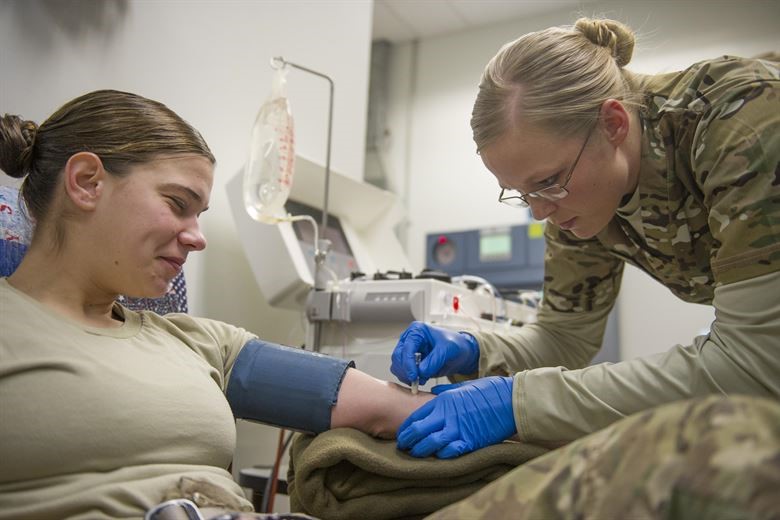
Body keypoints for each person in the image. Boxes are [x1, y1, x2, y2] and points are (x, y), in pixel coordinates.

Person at [0, 89, 433, 520]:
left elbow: (395, 412)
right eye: (177, 204)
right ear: (86, 182)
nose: (197, 237)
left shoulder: (201, 342)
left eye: (200, 215)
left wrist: (496, 402)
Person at [390, 17, 779, 460]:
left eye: (549, 181)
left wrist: (520, 403)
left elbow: (755, 364)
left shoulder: (742, 122)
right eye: (521, 194)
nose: (540, 212)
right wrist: (475, 349)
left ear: (613, 123)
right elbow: (565, 338)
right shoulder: (583, 199)